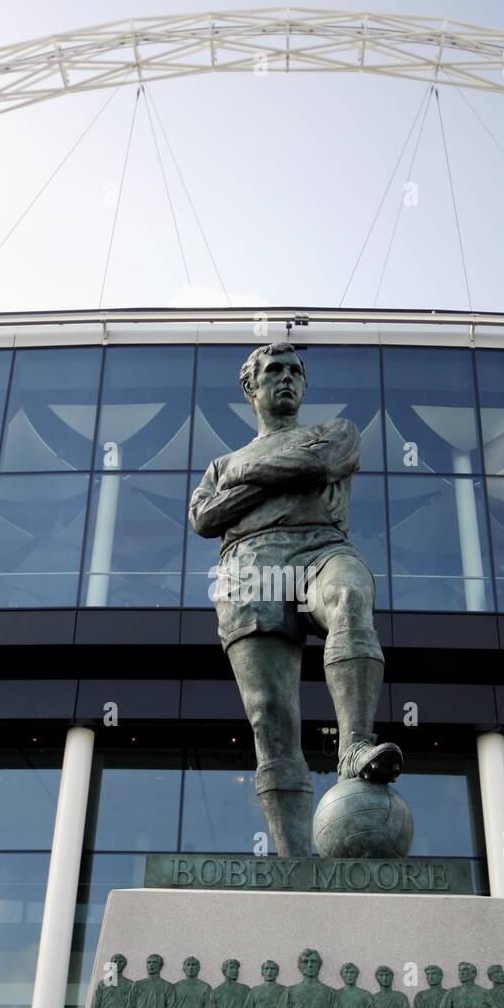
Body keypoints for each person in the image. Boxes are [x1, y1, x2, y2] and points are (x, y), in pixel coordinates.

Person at [188, 341, 402, 856]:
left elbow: (320, 466)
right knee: (270, 717)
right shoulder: (221, 464)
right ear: (251, 387)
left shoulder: (334, 432)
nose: (286, 378)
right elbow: (203, 518)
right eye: (273, 371)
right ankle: (294, 862)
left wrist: (244, 480)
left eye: (294, 371)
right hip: (248, 572)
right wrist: (274, 473)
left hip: (320, 546)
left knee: (349, 595)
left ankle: (353, 747)